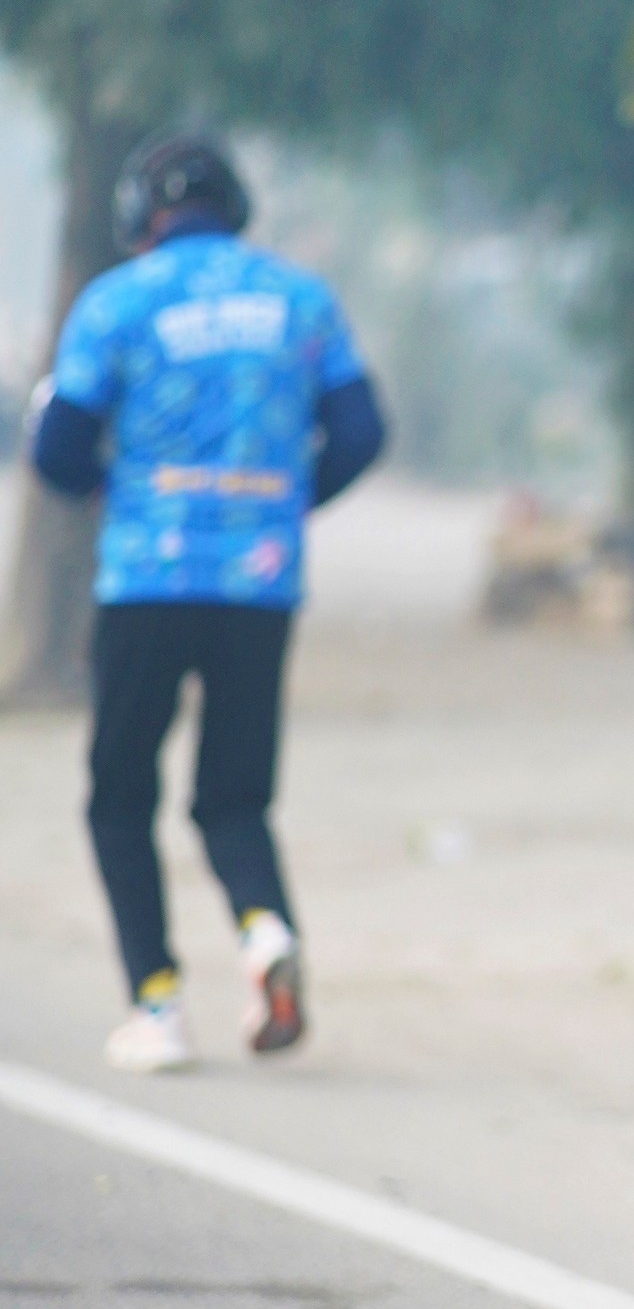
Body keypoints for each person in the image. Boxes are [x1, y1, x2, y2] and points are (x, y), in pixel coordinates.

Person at [31, 128, 387, 1073]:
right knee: (233, 796)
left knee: (120, 796)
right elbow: (361, 431)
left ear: (142, 217)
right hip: (259, 584)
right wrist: (285, 497)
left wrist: (115, 489)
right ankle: (266, 932)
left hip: (145, 579)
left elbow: (58, 448)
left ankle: (156, 1004)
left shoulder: (117, 303)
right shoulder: (301, 300)